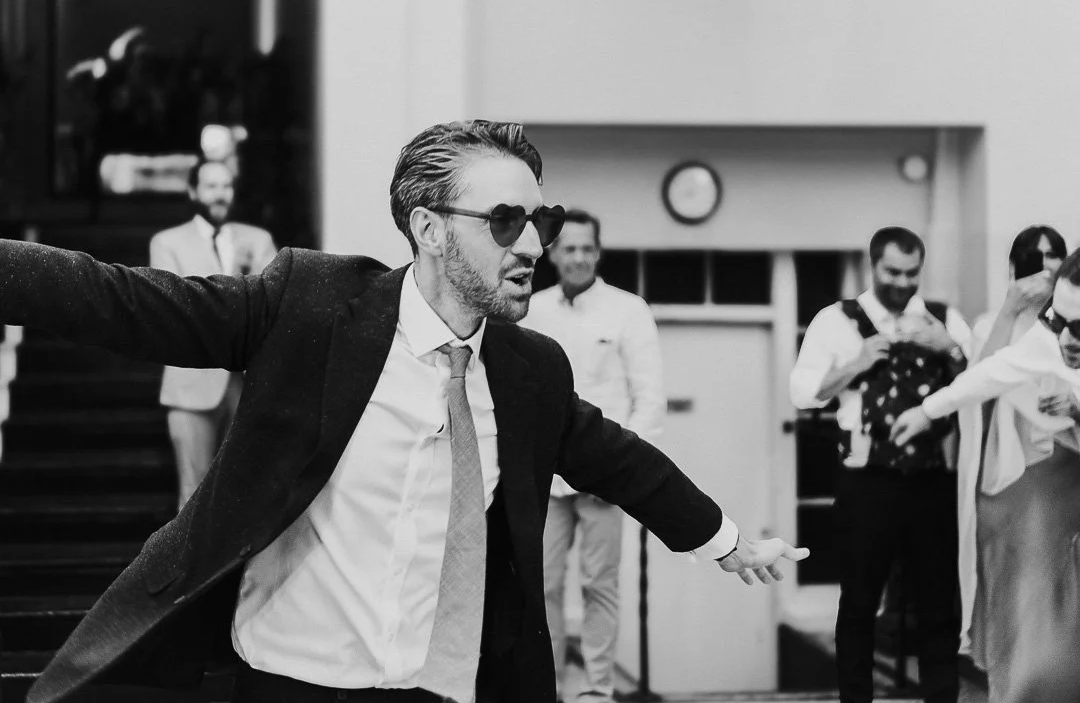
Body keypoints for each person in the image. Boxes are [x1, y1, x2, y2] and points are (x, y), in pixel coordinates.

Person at [2, 120, 808, 703]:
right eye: (504, 221)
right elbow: (124, 301)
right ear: (426, 228)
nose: (534, 245)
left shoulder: (530, 371)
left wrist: (726, 542)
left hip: (437, 686)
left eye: (543, 220)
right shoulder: (313, 306)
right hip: (287, 679)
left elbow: (620, 459)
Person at [789, 226, 970, 703]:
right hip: (865, 480)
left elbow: (980, 388)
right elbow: (803, 392)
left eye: (912, 274)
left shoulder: (944, 319)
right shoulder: (837, 320)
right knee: (859, 605)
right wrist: (856, 362)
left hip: (931, 477)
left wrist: (948, 347)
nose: (903, 282)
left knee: (937, 606)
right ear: (873, 266)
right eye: (893, 272)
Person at [892, 245, 1080, 703]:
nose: (1066, 340)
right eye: (1058, 320)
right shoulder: (1047, 336)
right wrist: (926, 409)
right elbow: (993, 371)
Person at [520, 209, 664, 703]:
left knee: (599, 585)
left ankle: (597, 691)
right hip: (545, 477)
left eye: (587, 248)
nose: (578, 257)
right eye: (569, 248)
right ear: (553, 253)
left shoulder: (629, 310)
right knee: (541, 586)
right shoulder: (530, 309)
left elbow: (650, 400)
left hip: (603, 478)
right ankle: (551, 688)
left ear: (598, 253)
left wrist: (623, 472)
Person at [951, 226, 1065, 665]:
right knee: (1010, 574)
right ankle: (1009, 666)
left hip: (1059, 454)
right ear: (1017, 267)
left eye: (1053, 256)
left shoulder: (1071, 321)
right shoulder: (990, 323)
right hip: (1007, 460)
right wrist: (1010, 310)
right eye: (1034, 259)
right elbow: (976, 381)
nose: (1045, 267)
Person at [150, 157, 277, 509]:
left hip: (247, 385)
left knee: (246, 496)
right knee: (193, 500)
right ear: (193, 191)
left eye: (226, 185)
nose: (220, 194)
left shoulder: (259, 239)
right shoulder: (167, 243)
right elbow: (176, 308)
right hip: (190, 385)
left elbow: (271, 308)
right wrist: (238, 279)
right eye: (211, 186)